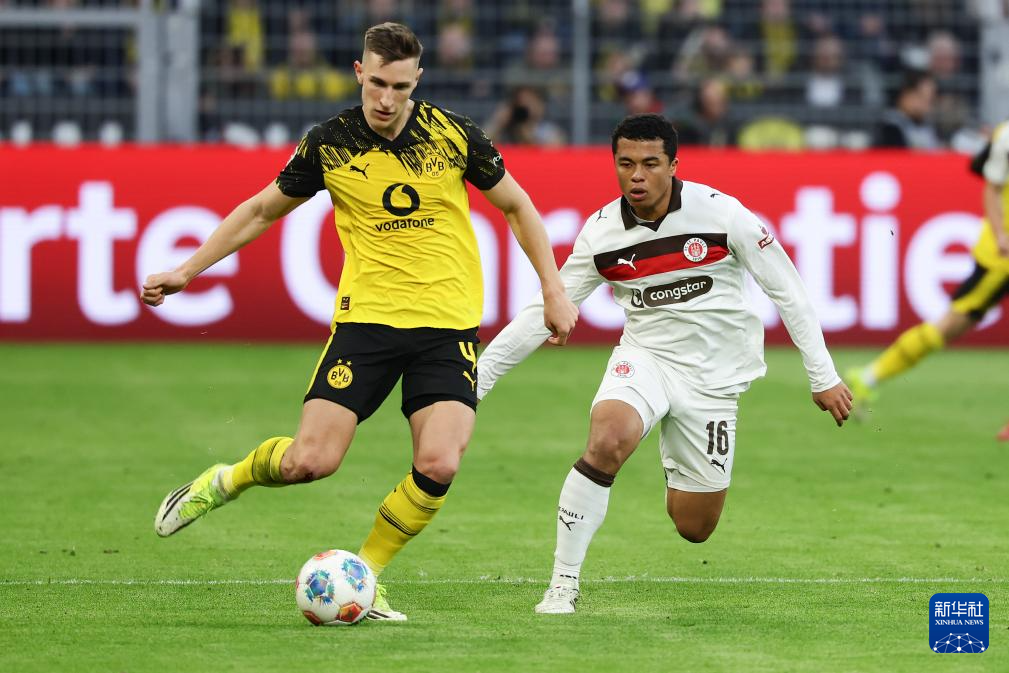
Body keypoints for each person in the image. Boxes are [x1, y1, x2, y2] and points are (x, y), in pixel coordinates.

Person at [142, 22, 578, 621]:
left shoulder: (453, 135)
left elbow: (518, 206)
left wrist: (553, 289)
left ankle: (365, 575)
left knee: (440, 462)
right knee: (309, 462)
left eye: (399, 86)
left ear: (417, 79)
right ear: (359, 73)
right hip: (367, 324)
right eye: (376, 83)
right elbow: (262, 210)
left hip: (447, 328)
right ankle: (226, 480)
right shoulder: (331, 143)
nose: (386, 99)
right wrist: (187, 270)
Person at [476, 114, 852, 614]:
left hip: (714, 380)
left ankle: (676, 459)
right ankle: (562, 584)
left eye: (650, 164)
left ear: (674, 165)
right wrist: (477, 379)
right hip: (646, 358)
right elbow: (544, 309)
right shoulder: (601, 233)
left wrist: (823, 375)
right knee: (608, 438)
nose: (637, 175)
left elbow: (789, 292)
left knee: (694, 526)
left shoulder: (722, 214)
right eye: (626, 163)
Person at [848, 119, 1009, 429]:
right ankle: (868, 377)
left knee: (949, 326)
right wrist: (1001, 234)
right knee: (949, 326)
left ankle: (868, 376)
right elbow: (992, 185)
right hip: (1001, 257)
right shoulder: (1006, 136)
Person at [873, 70, 940, 150]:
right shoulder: (890, 128)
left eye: (931, 99)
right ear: (906, 95)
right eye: (923, 97)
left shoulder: (928, 125)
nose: (928, 105)